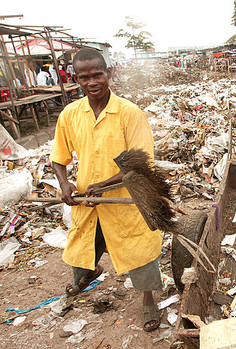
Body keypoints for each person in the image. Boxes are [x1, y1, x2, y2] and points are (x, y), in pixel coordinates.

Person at [50, 48, 165, 332]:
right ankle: (88, 274)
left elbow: (140, 164)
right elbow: (58, 157)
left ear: (109, 74)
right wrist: (65, 183)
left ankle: (148, 298)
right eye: (84, 77)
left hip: (127, 199)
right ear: (76, 79)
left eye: (97, 75)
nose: (92, 82)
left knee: (138, 249)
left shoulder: (129, 113)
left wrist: (103, 185)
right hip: (89, 200)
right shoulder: (70, 114)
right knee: (84, 242)